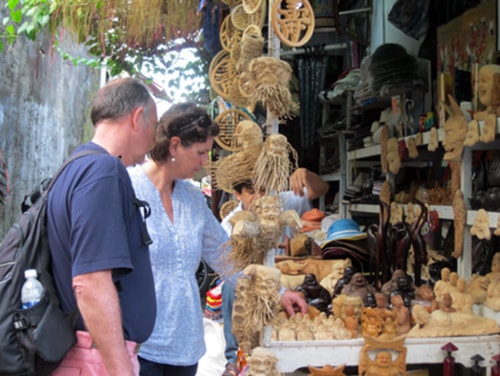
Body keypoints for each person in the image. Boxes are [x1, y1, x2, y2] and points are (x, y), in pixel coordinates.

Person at [127, 102, 307, 376]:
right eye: (200, 153)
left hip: (184, 345)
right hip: (138, 344)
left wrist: (278, 293)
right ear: (174, 146)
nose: (205, 162)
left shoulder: (191, 199)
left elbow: (227, 258)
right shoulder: (127, 188)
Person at [47, 77, 159, 375]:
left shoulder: (76, 166)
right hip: (97, 359)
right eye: (153, 128)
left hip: (88, 353)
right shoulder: (103, 170)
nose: (152, 143)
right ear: (137, 118)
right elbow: (91, 282)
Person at [220, 167, 329, 376]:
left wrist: (305, 174)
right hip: (251, 278)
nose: (260, 198)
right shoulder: (230, 223)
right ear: (238, 194)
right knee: (230, 287)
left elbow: (321, 188)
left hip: (286, 275)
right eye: (252, 192)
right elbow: (232, 269)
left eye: (263, 190)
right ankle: (234, 358)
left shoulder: (282, 202)